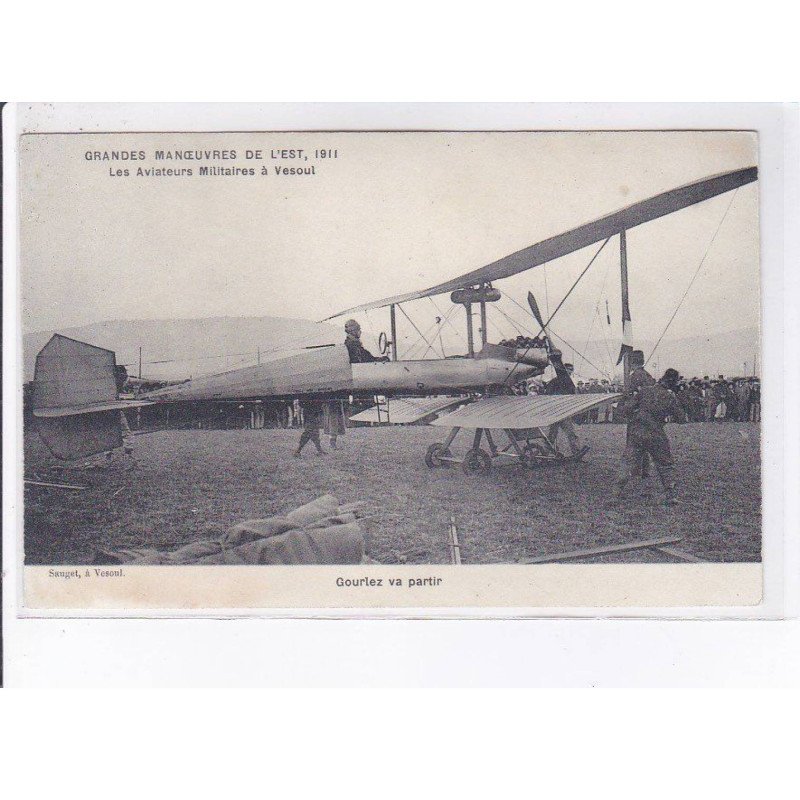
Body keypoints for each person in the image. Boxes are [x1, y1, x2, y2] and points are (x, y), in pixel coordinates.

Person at [614, 367, 684, 505]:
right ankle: (671, 497)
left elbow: (626, 409)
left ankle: (615, 493)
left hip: (637, 431)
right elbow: (681, 418)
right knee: (665, 464)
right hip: (655, 433)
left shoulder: (644, 391)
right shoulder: (669, 396)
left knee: (628, 462)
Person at [543, 350, 587, 457]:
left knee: (571, 433)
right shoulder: (554, 381)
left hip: (565, 412)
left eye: (571, 370)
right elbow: (547, 394)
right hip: (555, 411)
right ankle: (545, 453)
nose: (570, 372)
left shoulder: (571, 384)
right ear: (564, 370)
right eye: (568, 370)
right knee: (552, 435)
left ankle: (576, 452)